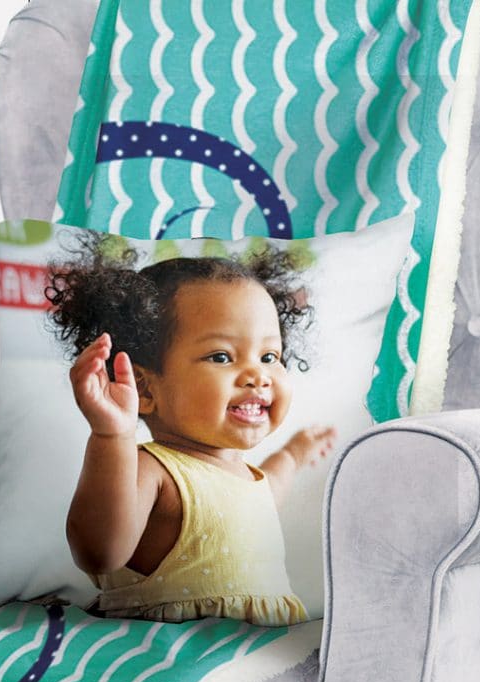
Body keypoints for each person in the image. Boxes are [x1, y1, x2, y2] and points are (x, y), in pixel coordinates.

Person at [46, 237, 336, 627]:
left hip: (257, 663)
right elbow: (100, 552)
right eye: (221, 357)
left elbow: (268, 490)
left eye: (269, 356)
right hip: (169, 661)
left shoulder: (246, 478)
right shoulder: (154, 469)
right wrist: (111, 435)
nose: (258, 375)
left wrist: (295, 454)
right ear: (147, 389)